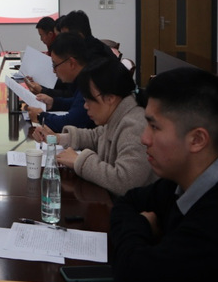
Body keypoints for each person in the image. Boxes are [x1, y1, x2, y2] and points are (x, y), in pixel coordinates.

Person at [110, 67, 218, 282]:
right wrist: (140, 232)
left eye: (154, 126)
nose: (144, 138)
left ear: (197, 139)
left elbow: (135, 280)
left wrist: (140, 225)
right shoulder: (181, 180)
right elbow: (127, 201)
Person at [31, 59, 155, 196]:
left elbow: (125, 181)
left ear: (110, 98)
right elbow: (96, 136)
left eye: (89, 99)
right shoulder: (118, 113)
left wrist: (79, 161)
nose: (85, 106)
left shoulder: (134, 126)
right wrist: (58, 138)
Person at [26, 32, 95, 131]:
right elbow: (77, 103)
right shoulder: (86, 75)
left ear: (71, 63)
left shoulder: (91, 83)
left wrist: (40, 116)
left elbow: (70, 123)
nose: (54, 71)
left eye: (55, 65)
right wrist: (53, 103)